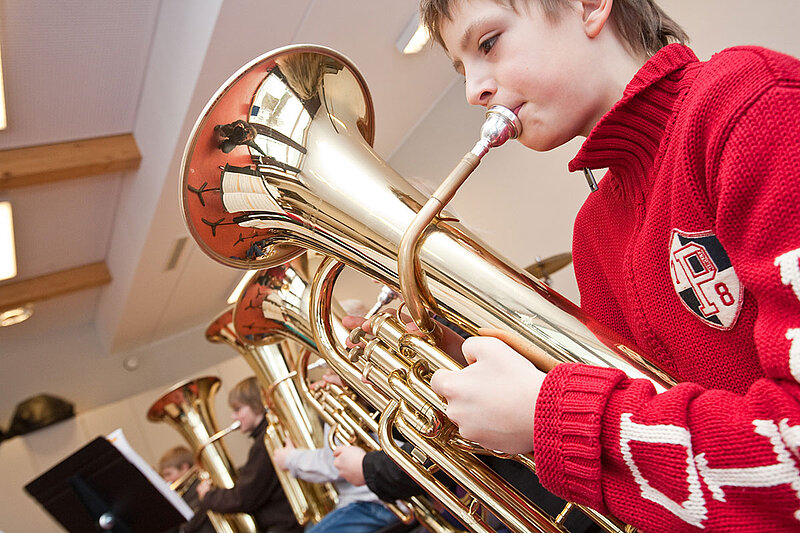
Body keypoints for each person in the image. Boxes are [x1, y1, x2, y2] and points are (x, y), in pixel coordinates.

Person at [411, 0, 800, 531]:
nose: (473, 90)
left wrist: (550, 416)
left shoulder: (747, 102)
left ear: (590, 6)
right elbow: (646, 415)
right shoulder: (593, 232)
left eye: (487, 44)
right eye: (462, 69)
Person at [272, 370, 400, 533]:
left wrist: (290, 459)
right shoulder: (351, 400)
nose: (325, 376)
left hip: (375, 504)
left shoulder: (352, 403)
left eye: (332, 369)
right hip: (377, 499)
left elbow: (334, 464)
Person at [192, 377, 303, 533]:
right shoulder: (266, 437)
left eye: (238, 410)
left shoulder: (265, 441)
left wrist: (208, 496)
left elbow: (244, 498)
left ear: (256, 405)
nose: (234, 417)